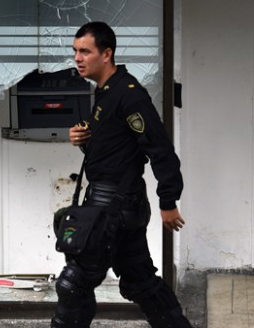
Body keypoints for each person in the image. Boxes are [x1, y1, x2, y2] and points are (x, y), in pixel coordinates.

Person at [51, 22, 192, 327]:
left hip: (115, 204)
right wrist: (83, 140)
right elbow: (112, 148)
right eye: (75, 51)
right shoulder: (105, 92)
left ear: (107, 53)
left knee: (73, 283)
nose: (77, 58)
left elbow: (160, 149)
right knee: (140, 281)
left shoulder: (129, 95)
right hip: (110, 201)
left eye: (85, 51)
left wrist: (168, 201)